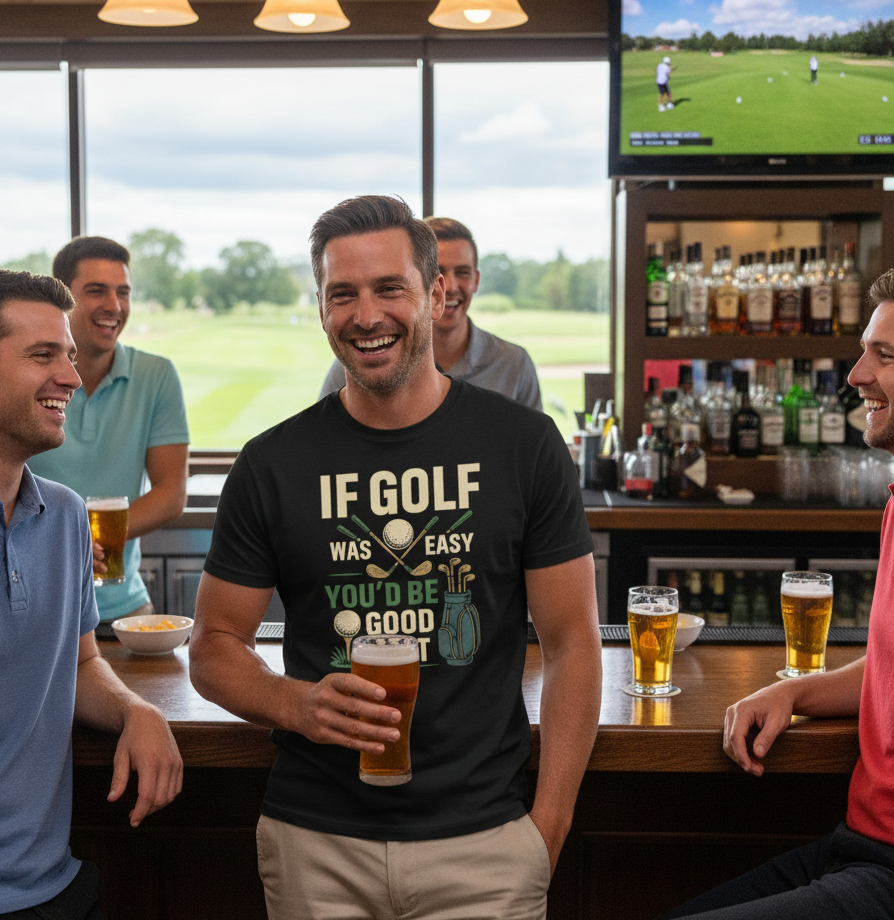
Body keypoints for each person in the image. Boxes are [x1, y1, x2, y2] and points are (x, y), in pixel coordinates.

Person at [190, 194, 601, 920]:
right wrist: (298, 703)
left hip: (486, 844)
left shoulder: (526, 444)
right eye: (341, 293)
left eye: (389, 288)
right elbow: (214, 647)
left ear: (436, 291)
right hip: (315, 843)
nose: (366, 314)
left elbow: (573, 643)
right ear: (320, 306)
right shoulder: (271, 463)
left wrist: (547, 827)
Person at [655, 267, 894, 920]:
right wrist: (793, 690)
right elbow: (888, 669)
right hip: (860, 844)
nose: (856, 375)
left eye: (886, 355)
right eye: (864, 350)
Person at [0, 269, 183, 918]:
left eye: (69, 357)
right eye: (44, 355)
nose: (73, 379)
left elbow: (80, 663)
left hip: (53, 887)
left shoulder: (68, 518)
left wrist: (137, 709)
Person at [29, 237, 190, 622]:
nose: (114, 306)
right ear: (63, 299)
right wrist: (71, 537)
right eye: (97, 291)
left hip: (124, 608)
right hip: (36, 609)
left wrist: (88, 539)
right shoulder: (27, 378)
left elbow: (171, 494)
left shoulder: (157, 375)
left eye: (123, 292)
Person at [318, 216, 542, 410]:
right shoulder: (362, 363)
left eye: (462, 272)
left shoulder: (513, 363)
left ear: (476, 280)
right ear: (430, 288)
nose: (451, 286)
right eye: (439, 271)